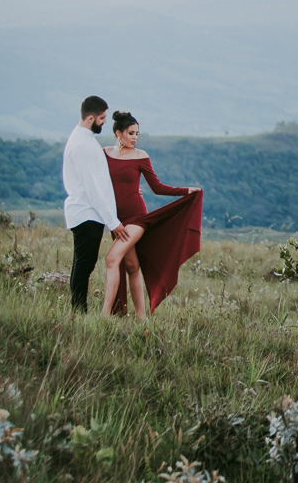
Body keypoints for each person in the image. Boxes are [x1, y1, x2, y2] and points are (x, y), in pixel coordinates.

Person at [100, 111, 203, 317]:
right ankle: (141, 317)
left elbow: (156, 187)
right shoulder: (104, 154)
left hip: (137, 218)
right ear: (118, 133)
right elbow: (98, 184)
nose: (135, 138)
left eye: (137, 133)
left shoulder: (141, 156)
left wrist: (185, 191)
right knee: (132, 266)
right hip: (115, 219)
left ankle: (104, 316)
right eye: (131, 133)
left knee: (112, 259)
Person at [63, 96, 130, 313]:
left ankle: (78, 310)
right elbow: (93, 189)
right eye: (101, 118)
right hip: (86, 213)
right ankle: (78, 311)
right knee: (84, 265)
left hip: (86, 213)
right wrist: (113, 222)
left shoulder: (84, 139)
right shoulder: (82, 144)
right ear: (90, 117)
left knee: (82, 263)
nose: (103, 122)